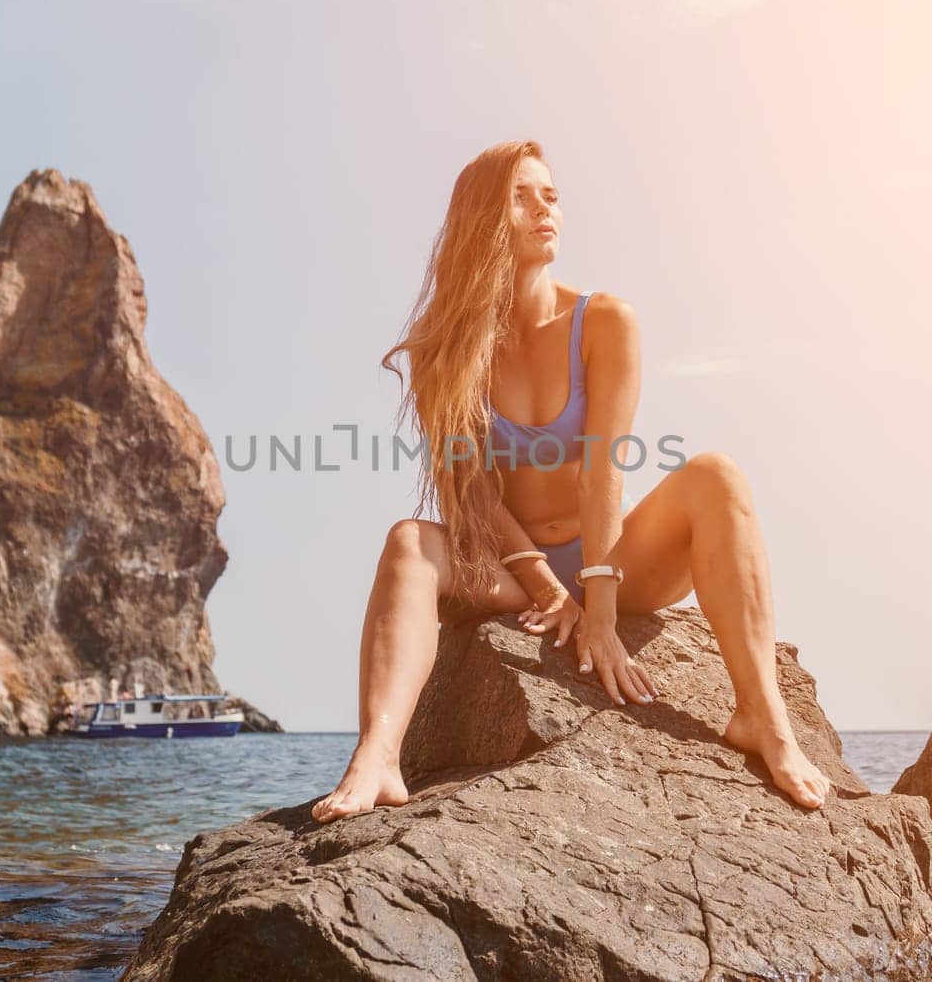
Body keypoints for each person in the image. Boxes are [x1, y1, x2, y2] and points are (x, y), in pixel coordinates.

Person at [312, 140, 832, 822]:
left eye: (550, 195)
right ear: (482, 220)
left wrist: (601, 612)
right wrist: (548, 588)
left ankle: (763, 716)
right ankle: (378, 756)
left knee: (717, 476)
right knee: (410, 541)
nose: (543, 208)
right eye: (521, 197)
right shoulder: (445, 346)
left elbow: (601, 468)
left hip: (610, 560)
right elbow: (467, 492)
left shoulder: (605, 321)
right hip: (508, 570)